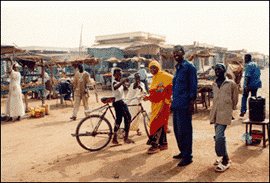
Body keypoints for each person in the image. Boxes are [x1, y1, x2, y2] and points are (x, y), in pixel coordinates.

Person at [172, 45, 198, 166]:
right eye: (174, 53)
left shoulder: (189, 67)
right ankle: (183, 152)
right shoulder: (177, 67)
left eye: (177, 52)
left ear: (183, 53)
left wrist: (191, 104)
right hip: (177, 104)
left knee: (185, 131)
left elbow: (193, 86)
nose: (175, 55)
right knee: (178, 130)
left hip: (185, 104)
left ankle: (188, 156)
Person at [210, 63, 238, 172]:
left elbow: (235, 99)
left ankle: (225, 160)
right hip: (215, 113)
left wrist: (230, 109)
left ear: (224, 70)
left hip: (225, 112)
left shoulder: (231, 84)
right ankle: (224, 156)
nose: (217, 71)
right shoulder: (214, 84)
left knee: (219, 136)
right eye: (215, 69)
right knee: (218, 136)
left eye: (219, 69)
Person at [143, 61, 173, 154]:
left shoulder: (165, 76)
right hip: (156, 105)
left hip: (163, 104)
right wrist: (148, 97)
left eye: (154, 67)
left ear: (159, 67)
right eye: (151, 68)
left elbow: (174, 82)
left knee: (155, 124)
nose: (153, 70)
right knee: (162, 124)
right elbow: (154, 93)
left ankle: (155, 145)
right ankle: (163, 144)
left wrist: (167, 94)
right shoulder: (154, 78)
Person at [111, 68, 134, 145]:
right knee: (128, 118)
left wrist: (126, 84)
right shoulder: (114, 82)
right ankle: (126, 138)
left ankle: (114, 139)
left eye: (120, 75)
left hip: (118, 102)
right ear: (114, 75)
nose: (119, 76)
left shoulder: (119, 83)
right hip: (119, 102)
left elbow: (126, 89)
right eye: (117, 75)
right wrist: (122, 82)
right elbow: (115, 87)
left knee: (119, 120)